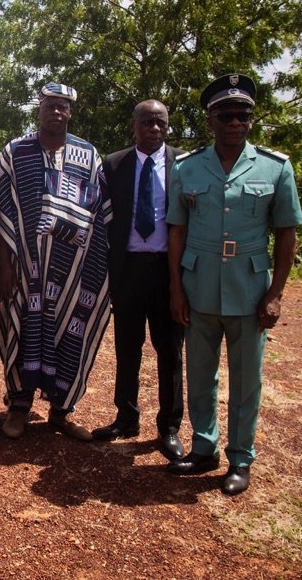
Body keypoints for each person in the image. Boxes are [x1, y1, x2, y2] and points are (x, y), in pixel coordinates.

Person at [165, 73, 302, 495]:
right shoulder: (187, 167)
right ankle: (204, 447)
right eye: (227, 114)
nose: (235, 122)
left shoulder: (275, 167)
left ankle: (240, 458)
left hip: (249, 290)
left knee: (247, 380)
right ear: (211, 119)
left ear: (251, 120)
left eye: (243, 115)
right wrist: (175, 288)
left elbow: (287, 234)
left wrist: (276, 292)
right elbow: (176, 231)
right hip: (199, 285)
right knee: (200, 375)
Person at [0, 82, 112, 441]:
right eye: (50, 105)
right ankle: (19, 405)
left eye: (63, 106)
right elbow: (1, 210)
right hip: (26, 265)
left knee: (68, 333)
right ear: (39, 108)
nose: (57, 112)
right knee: (22, 329)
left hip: (71, 270)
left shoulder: (88, 154)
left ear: (70, 112)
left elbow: (99, 212)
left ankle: (61, 412)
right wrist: (4, 264)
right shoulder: (16, 152)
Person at [92, 100, 185, 460]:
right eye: (147, 122)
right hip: (128, 269)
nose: (154, 128)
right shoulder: (114, 164)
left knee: (170, 351)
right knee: (127, 348)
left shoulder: (185, 165)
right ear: (134, 126)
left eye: (160, 122)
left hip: (167, 272)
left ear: (167, 126)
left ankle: (169, 427)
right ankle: (126, 417)